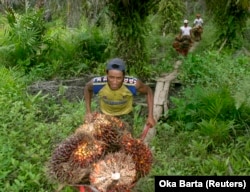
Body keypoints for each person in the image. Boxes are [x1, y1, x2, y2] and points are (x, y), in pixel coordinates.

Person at [84, 58, 156, 134]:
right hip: (104, 114)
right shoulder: (97, 83)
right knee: (101, 139)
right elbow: (87, 88)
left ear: (124, 76)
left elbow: (148, 91)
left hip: (125, 115)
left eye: (119, 78)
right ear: (106, 74)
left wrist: (150, 116)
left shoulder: (133, 84)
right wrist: (88, 112)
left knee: (125, 141)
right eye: (111, 77)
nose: (114, 82)